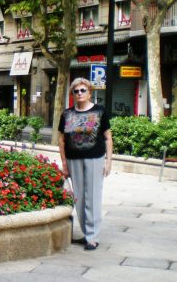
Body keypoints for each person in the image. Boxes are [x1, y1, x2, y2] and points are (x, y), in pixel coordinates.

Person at [58, 77, 113, 251]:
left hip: (95, 158)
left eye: (83, 90)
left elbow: (108, 137)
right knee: (79, 198)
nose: (80, 93)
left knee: (93, 197)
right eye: (76, 91)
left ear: (90, 92)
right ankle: (87, 232)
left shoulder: (100, 111)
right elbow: (61, 140)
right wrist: (64, 164)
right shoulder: (67, 114)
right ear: (73, 94)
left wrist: (109, 161)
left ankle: (93, 236)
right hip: (73, 159)